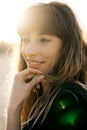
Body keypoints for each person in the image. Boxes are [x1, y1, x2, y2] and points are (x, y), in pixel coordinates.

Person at [6, 1, 87, 130]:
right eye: (25, 39)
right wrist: (15, 107)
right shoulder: (43, 96)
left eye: (43, 40)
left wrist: (13, 109)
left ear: (66, 46)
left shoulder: (71, 99)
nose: (28, 51)